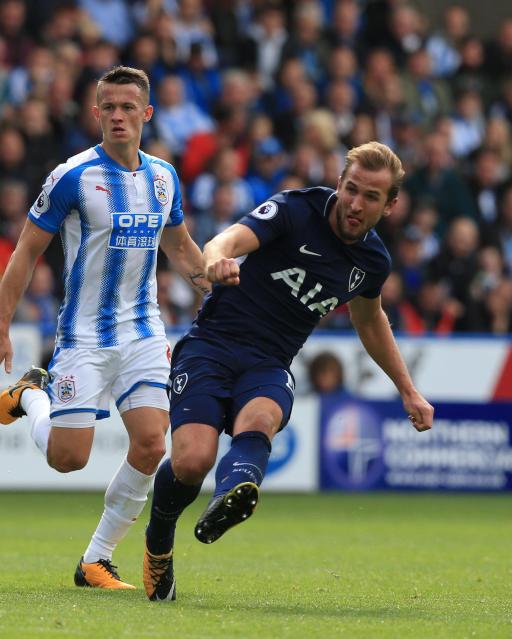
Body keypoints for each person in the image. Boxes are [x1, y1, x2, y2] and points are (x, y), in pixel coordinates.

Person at [143, 141, 435, 601]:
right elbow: (229, 239)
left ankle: (231, 496)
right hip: (211, 347)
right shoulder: (296, 210)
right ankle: (158, 544)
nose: (356, 204)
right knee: (192, 461)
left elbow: (370, 319)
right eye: (351, 189)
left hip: (269, 362)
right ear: (339, 182)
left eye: (371, 197)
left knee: (261, 419)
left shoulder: (372, 262)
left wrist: (408, 390)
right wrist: (217, 257)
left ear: (391, 205)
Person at [0, 66, 211, 591]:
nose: (119, 116)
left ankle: (96, 560)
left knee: (152, 446)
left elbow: (179, 248)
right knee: (68, 459)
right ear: (96, 113)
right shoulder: (72, 176)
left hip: (144, 332)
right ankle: (31, 397)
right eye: (109, 107)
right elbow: (25, 253)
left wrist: (215, 293)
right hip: (83, 337)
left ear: (147, 114)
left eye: (129, 107)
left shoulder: (163, 177)